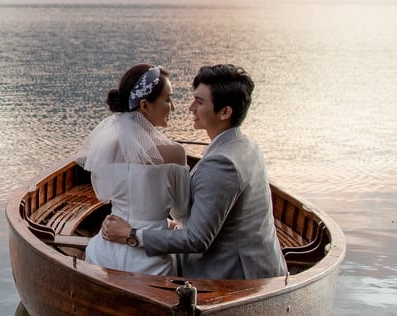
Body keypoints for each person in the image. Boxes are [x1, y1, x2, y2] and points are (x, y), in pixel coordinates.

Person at [100, 64, 285, 280]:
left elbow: (197, 240)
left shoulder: (221, 163)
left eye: (199, 102)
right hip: (260, 262)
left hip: (233, 275)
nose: (190, 108)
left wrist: (132, 235)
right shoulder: (245, 145)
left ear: (225, 112)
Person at [78, 64, 189, 276]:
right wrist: (167, 224)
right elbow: (183, 211)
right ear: (145, 105)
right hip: (150, 262)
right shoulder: (175, 153)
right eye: (167, 99)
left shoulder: (107, 147)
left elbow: (105, 195)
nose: (173, 107)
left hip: (103, 252)